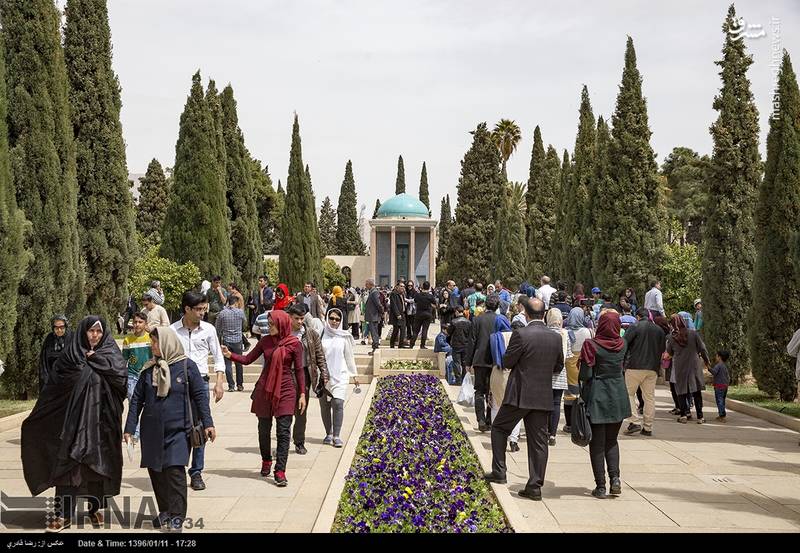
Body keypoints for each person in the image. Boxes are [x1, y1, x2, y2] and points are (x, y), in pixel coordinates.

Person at [22, 316, 127, 532]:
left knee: (97, 468)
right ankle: (63, 515)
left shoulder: (111, 355)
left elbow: (121, 382)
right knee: (67, 470)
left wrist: (96, 360)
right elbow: (53, 388)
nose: (94, 335)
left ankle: (94, 510)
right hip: (70, 427)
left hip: (100, 424)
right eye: (90, 331)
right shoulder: (69, 357)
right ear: (82, 332)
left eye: (98, 331)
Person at [124, 326, 216, 531]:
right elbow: (137, 400)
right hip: (152, 431)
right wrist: (129, 428)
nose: (152, 345)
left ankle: (177, 517)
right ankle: (165, 510)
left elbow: (201, 397)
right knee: (156, 472)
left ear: (167, 342)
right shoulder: (148, 369)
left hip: (179, 431)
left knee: (174, 472)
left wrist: (208, 424)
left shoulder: (186, 366)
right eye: (152, 342)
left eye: (155, 342)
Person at [484, 299, 564, 501]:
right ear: (544, 314)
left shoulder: (521, 334)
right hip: (542, 395)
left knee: (499, 428)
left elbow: (508, 361)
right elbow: (558, 366)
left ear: (526, 314)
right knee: (539, 442)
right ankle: (535, 486)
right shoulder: (555, 338)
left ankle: (499, 472)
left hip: (519, 394)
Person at [222, 310, 304, 486]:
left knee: (283, 432)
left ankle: (280, 471)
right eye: (268, 323)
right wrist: (231, 355)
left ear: (281, 323)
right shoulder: (265, 341)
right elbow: (248, 359)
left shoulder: (294, 344)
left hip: (286, 389)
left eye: (272, 324)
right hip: (266, 388)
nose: (269, 327)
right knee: (263, 430)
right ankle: (266, 460)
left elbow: (298, 370)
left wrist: (302, 394)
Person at [170, 291, 226, 491]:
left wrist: (219, 383)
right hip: (177, 383)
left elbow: (218, 358)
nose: (203, 312)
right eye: (199, 309)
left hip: (200, 382)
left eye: (205, 309)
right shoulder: (172, 330)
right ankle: (175, 469)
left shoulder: (209, 330)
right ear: (187, 309)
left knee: (202, 426)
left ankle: (196, 472)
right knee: (177, 426)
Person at [578, 311, 631, 499]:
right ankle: (615, 479)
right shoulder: (623, 344)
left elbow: (585, 375)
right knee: (612, 440)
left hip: (597, 395)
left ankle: (600, 486)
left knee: (597, 443)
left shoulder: (591, 345)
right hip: (617, 395)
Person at [286, 304, 328, 455]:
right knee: (284, 411)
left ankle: (299, 442)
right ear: (289, 317)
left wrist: (324, 372)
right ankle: (283, 442)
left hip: (304, 374)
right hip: (286, 374)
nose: (299, 321)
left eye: (302, 318)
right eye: (296, 318)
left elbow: (319, 355)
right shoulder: (283, 333)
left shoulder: (310, 334)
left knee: (301, 410)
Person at [622, 308, 666, 436]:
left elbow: (624, 343)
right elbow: (662, 349)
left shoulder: (634, 327)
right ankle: (648, 427)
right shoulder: (659, 330)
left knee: (629, 394)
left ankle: (634, 421)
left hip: (634, 366)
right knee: (649, 397)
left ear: (638, 316)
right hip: (652, 368)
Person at [319, 308, 357, 447]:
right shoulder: (321, 334)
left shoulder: (344, 336)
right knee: (325, 406)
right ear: (327, 318)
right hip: (323, 376)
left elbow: (349, 357)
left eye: (337, 319)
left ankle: (336, 435)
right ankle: (328, 433)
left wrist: (354, 375)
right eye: (332, 318)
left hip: (340, 375)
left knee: (338, 403)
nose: (334, 321)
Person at [666, 314, 710, 424]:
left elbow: (670, 352)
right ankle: (700, 417)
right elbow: (702, 348)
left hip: (680, 366)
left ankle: (683, 415)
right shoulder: (693, 334)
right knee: (696, 391)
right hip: (694, 365)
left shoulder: (671, 337)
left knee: (681, 391)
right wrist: (707, 361)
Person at [467, 295, 500, 432]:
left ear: (485, 305)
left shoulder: (477, 319)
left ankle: (480, 418)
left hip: (480, 359)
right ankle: (489, 419)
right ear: (497, 306)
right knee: (491, 391)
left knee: (479, 391)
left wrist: (468, 362)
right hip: (495, 360)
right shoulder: (500, 319)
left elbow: (472, 341)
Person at [489, 316, 521, 452]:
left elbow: (489, 358)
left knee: (496, 405)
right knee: (515, 408)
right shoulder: (519, 337)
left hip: (498, 373)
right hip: (514, 374)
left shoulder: (494, 337)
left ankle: (497, 437)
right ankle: (513, 440)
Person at [122, 312, 153, 442]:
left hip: (146, 375)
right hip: (132, 375)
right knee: (133, 401)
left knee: (146, 403)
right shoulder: (128, 340)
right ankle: (135, 431)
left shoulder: (150, 339)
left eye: (140, 322)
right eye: (135, 322)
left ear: (145, 323)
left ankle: (144, 430)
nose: (137, 324)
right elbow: (124, 359)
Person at [563, 307, 593, 433]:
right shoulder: (588, 332)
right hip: (583, 365)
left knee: (569, 396)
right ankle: (583, 422)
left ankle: (569, 424)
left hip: (569, 365)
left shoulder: (564, 332)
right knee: (584, 395)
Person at [545, 308, 570, 446]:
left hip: (545, 373)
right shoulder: (564, 334)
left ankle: (545, 431)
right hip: (560, 373)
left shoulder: (544, 332)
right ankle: (553, 434)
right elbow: (569, 355)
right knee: (556, 403)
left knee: (545, 403)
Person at [215, 295, 246, 392]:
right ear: (236, 302)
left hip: (226, 341)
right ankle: (240, 384)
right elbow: (244, 324)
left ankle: (231, 385)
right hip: (238, 341)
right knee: (239, 363)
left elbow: (218, 328)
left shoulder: (222, 313)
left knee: (227, 364)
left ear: (228, 302)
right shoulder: (240, 312)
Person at [39, 314, 72, 392]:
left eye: (61, 327)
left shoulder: (73, 338)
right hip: (52, 377)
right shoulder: (49, 339)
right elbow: (44, 360)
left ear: (66, 326)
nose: (59, 330)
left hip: (69, 377)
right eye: (56, 328)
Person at [449, 307, 473, 385]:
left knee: (456, 363)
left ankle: (458, 380)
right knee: (464, 363)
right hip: (466, 345)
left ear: (456, 311)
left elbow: (449, 332)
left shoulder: (453, 322)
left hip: (456, 345)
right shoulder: (469, 322)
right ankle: (464, 380)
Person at [411, 281, 436, 349]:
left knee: (416, 330)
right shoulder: (430, 296)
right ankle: (422, 345)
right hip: (427, 314)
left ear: (422, 287)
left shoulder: (418, 295)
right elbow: (435, 303)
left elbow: (415, 301)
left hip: (419, 314)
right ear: (429, 287)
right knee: (425, 330)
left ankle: (411, 344)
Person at [709, 350, 730, 422]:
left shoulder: (718, 365)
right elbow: (727, 376)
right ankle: (722, 414)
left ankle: (722, 415)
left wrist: (709, 368)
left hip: (719, 386)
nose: (715, 357)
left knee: (719, 400)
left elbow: (714, 372)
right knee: (722, 400)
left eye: (716, 356)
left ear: (719, 357)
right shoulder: (724, 365)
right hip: (724, 386)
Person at [364, 278, 384, 355]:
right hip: (372, 316)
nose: (365, 285)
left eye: (367, 284)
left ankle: (375, 348)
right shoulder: (372, 292)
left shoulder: (374, 292)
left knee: (374, 333)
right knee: (373, 332)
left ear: (370, 284)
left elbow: (378, 304)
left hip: (373, 316)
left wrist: (381, 312)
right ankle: (374, 348)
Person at [389, 281, 407, 348]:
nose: (402, 288)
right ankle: (392, 344)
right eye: (401, 286)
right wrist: (397, 314)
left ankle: (401, 345)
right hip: (397, 315)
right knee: (396, 330)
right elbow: (394, 305)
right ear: (397, 287)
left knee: (403, 330)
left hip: (403, 314)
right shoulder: (394, 294)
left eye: (403, 286)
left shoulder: (402, 294)